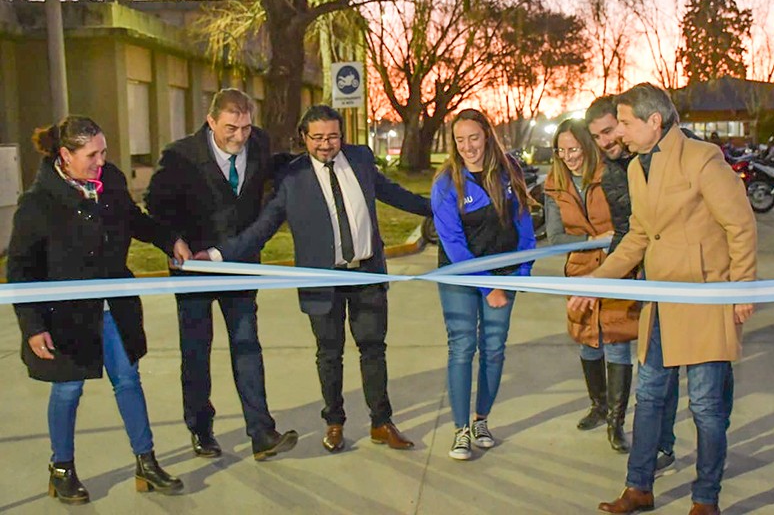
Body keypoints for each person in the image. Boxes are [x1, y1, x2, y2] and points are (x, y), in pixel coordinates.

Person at [197, 105, 432, 453]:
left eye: (333, 136)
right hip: (322, 280)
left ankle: (381, 423)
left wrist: (440, 208)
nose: (326, 144)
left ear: (343, 135)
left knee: (373, 350)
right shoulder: (292, 178)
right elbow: (262, 229)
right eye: (318, 137)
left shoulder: (361, 159)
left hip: (366, 273)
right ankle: (334, 423)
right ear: (304, 138)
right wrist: (216, 256)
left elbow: (395, 194)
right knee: (329, 354)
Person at [569, 83, 757, 515]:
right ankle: (639, 488)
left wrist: (743, 285)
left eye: (627, 124)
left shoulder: (702, 159)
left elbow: (741, 226)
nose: (620, 133)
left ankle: (706, 499)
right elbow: (638, 237)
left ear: (655, 121)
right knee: (650, 397)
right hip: (659, 303)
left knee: (708, 407)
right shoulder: (638, 168)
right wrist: (598, 280)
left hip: (705, 299)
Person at [7, 116, 189, 504]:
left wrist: (169, 239)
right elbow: (21, 268)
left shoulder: (111, 183)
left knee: (128, 380)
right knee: (68, 389)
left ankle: (146, 462)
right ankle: (62, 470)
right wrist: (32, 325)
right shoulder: (38, 203)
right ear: (65, 156)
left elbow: (134, 221)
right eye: (91, 154)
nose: (101, 161)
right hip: (65, 317)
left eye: (104, 151)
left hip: (114, 309)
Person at [144, 88, 298, 461]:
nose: (240, 136)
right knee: (196, 353)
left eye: (246, 127)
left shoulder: (259, 143)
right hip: (194, 270)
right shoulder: (180, 156)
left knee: (247, 347)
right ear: (211, 121)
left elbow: (274, 168)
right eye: (231, 128)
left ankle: (261, 433)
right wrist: (173, 241)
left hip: (240, 266)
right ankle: (201, 429)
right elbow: (155, 204)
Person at [431, 108, 535, 461]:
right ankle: (460, 430)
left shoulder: (509, 171)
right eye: (460, 140)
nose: (468, 147)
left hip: (504, 277)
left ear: (487, 136)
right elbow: (454, 244)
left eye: (474, 138)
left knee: (493, 348)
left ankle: (481, 421)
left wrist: (519, 277)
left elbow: (525, 231)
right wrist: (487, 287)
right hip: (461, 278)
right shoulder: (447, 182)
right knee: (462, 347)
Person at [586, 96, 679, 470]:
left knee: (682, 378)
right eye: (598, 136)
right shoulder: (612, 172)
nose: (608, 140)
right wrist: (608, 276)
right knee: (647, 368)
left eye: (611, 130)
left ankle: (663, 444)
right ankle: (630, 439)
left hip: (679, 277)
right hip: (639, 276)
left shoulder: (671, 154)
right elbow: (630, 231)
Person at [543, 118, 640, 454]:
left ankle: (616, 421)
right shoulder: (553, 184)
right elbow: (555, 236)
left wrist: (612, 246)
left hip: (616, 269)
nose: (569, 157)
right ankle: (598, 405)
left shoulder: (610, 175)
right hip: (581, 270)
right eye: (562, 150)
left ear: (587, 146)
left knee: (616, 341)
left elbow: (627, 224)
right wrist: (593, 240)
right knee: (587, 341)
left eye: (574, 149)